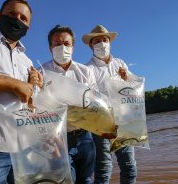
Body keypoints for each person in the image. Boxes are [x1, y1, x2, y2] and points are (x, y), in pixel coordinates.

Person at [0, 0, 42, 183]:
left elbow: (29, 104)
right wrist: (15, 84)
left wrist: (35, 89)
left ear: (28, 27)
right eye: (12, 14)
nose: (17, 20)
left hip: (23, 148)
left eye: (23, 18)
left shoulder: (26, 60)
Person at [38, 25, 96, 184]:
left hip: (86, 137)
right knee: (65, 180)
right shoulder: (41, 73)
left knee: (86, 179)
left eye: (66, 43)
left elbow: (93, 102)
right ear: (50, 47)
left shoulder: (85, 72)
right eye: (57, 44)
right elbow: (36, 109)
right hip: (58, 138)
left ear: (73, 47)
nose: (61, 47)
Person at [82, 25, 137, 184]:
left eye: (104, 40)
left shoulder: (120, 63)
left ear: (110, 42)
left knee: (129, 166)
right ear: (90, 45)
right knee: (104, 169)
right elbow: (91, 101)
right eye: (97, 41)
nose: (101, 43)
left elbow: (133, 91)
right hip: (101, 126)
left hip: (123, 121)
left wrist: (128, 78)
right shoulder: (87, 69)